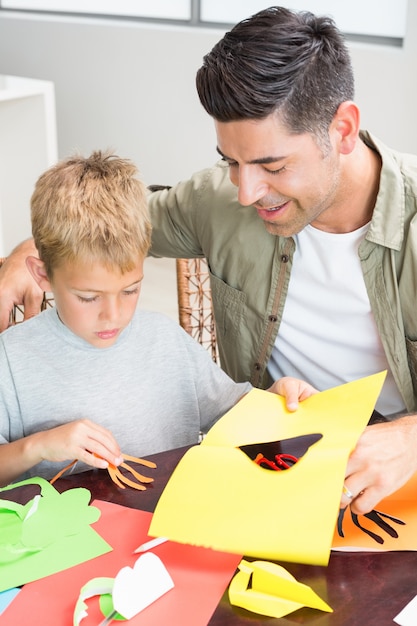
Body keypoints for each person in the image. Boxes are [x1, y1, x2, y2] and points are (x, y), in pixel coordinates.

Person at [0, 7, 416, 511]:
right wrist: (24, 256)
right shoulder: (218, 200)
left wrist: (408, 440)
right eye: (231, 162)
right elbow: (101, 231)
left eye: (272, 166)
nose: (245, 193)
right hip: (279, 458)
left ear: (343, 129)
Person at [0, 150, 315, 487]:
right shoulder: (12, 360)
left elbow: (232, 413)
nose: (114, 315)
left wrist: (275, 401)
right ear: (42, 275)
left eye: (130, 290)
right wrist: (37, 446)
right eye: (88, 297)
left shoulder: (166, 339)